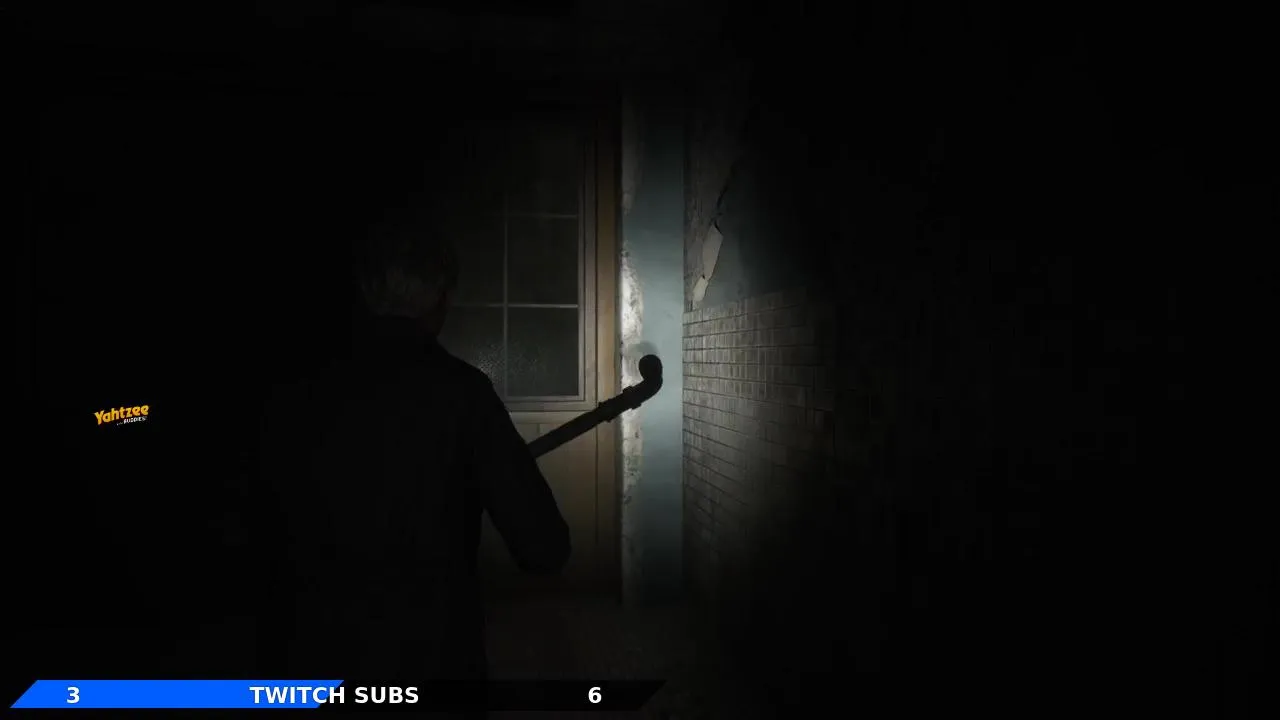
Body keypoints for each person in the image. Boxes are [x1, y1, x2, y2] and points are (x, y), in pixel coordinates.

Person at [254, 199, 571, 699]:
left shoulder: (292, 393)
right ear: (440, 299)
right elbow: (544, 547)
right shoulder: (463, 396)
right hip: (432, 667)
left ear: (365, 291)